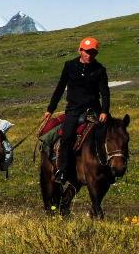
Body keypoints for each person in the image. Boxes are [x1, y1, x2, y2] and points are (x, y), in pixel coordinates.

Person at [44, 36, 111, 184]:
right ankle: (62, 171)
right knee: (67, 136)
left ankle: (112, 168)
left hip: (94, 108)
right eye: (86, 51)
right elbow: (60, 88)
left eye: (92, 52)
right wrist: (51, 109)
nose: (89, 55)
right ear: (80, 50)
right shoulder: (69, 66)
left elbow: (105, 93)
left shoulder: (100, 70)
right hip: (74, 109)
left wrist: (105, 112)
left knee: (112, 131)